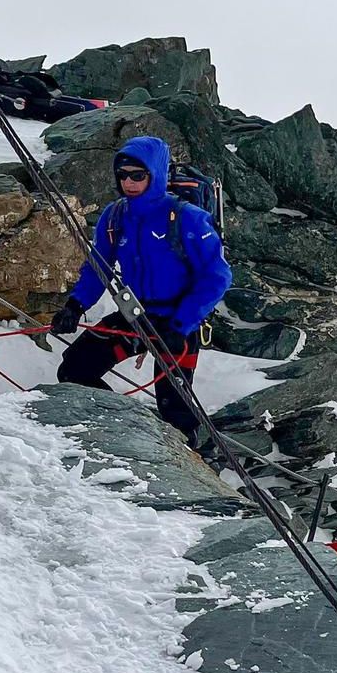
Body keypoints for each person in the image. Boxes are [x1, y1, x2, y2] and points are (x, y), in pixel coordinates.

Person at [48, 137, 231, 447]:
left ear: (155, 175)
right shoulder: (115, 216)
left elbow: (217, 276)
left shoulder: (187, 218)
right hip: (136, 314)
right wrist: (75, 306)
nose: (128, 183)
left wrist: (182, 324)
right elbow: (99, 267)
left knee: (176, 409)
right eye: (122, 175)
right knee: (74, 369)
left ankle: (187, 457)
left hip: (177, 322)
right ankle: (124, 431)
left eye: (137, 175)